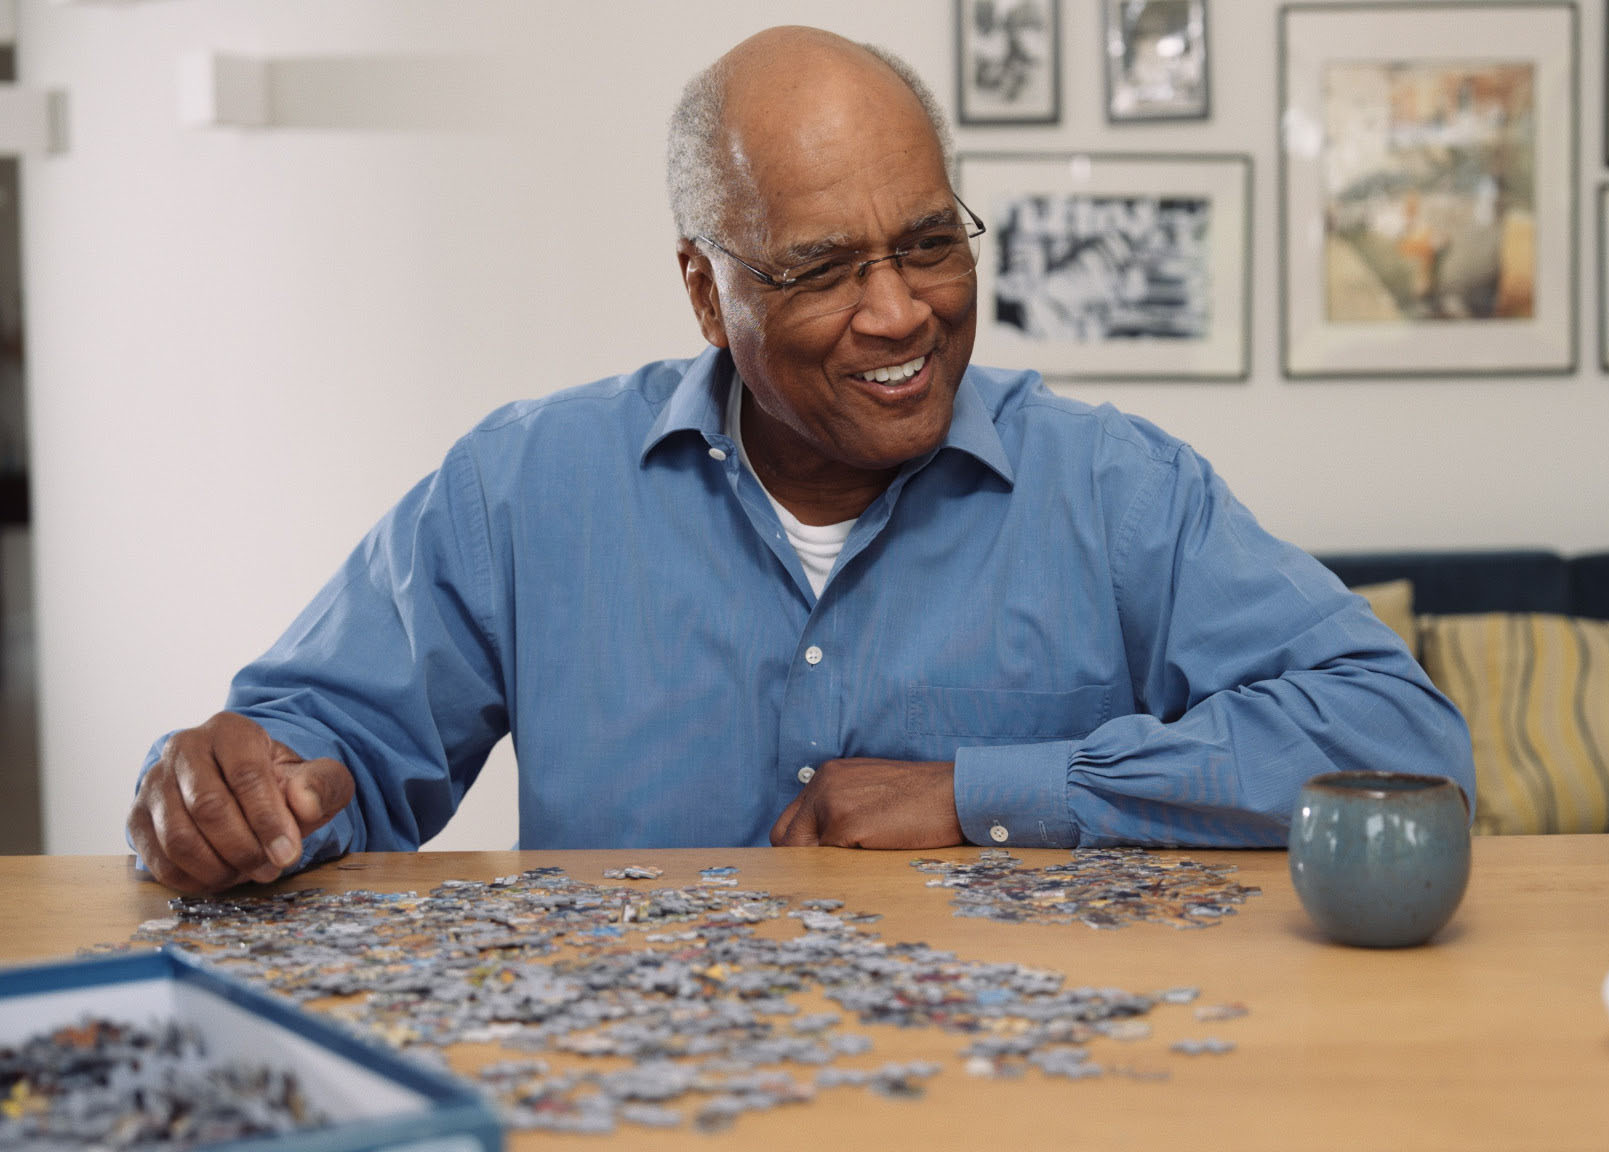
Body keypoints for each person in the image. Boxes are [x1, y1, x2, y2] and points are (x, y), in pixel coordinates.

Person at [126, 27, 1473, 895]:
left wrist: (984, 794)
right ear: (705, 294)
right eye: (823, 269)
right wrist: (234, 793)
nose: (900, 313)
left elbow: (1403, 742)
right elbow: (323, 747)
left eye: (930, 244)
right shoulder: (521, 490)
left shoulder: (1120, 490)